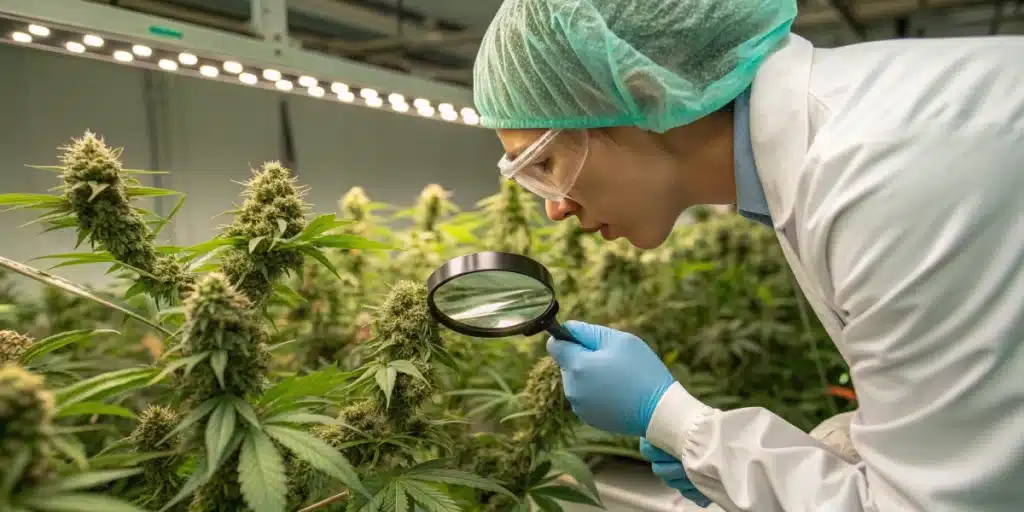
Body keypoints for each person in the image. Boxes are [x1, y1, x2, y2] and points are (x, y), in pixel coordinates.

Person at [471, 0, 1024, 510]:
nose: (555, 208)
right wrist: (757, 461)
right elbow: (955, 428)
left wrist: (680, 423)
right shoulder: (837, 139)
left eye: (542, 165)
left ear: (639, 92)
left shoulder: (877, 177)